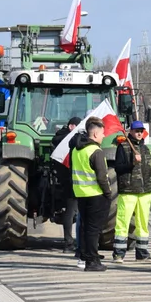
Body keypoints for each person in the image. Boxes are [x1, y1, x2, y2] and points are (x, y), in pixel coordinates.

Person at [71, 116, 113, 272]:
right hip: (96, 195)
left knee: (85, 227)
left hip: (81, 194)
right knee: (93, 229)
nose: (103, 136)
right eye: (102, 133)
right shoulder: (96, 151)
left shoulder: (76, 149)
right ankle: (92, 261)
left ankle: (86, 256)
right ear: (95, 134)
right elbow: (102, 177)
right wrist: (108, 193)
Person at [113, 120, 151, 263]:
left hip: (145, 191)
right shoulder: (123, 147)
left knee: (143, 223)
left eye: (141, 131)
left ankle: (142, 253)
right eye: (137, 131)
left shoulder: (145, 148)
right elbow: (118, 168)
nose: (139, 133)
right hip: (129, 190)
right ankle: (119, 254)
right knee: (123, 222)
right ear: (131, 131)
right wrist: (132, 163)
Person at [51, 116, 82, 252]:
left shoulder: (58, 139)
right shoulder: (74, 141)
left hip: (65, 179)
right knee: (78, 212)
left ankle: (69, 243)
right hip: (75, 181)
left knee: (70, 211)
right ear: (71, 127)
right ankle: (78, 244)